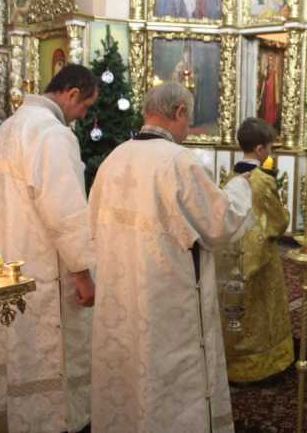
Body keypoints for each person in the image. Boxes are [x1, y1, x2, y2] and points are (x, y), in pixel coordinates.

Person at [89, 82, 253, 432]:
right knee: (168, 378)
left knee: (128, 376)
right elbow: (220, 224)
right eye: (188, 120)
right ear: (179, 112)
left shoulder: (113, 158)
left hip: (121, 294)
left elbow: (92, 228)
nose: (187, 129)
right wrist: (241, 186)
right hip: (165, 298)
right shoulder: (178, 161)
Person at [0, 64, 98, 432]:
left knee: (25, 349)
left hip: (12, 261)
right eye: (85, 106)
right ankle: (57, 423)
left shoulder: (11, 126)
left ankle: (28, 420)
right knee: (54, 354)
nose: (82, 116)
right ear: (72, 93)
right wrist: (83, 273)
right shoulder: (53, 134)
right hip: (47, 267)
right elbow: (64, 209)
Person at [219, 118, 294, 383]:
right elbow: (278, 221)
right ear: (260, 149)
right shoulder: (262, 180)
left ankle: (233, 363)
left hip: (233, 254)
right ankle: (262, 365)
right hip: (261, 256)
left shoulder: (230, 177)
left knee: (237, 307)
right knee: (261, 310)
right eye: (270, 148)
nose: (270, 152)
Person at [258, 55, 280, 128]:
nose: (270, 61)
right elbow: (264, 80)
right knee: (266, 107)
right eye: (269, 59)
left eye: (271, 59)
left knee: (271, 107)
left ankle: (270, 123)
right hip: (267, 91)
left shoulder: (274, 71)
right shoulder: (266, 69)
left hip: (272, 92)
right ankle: (266, 122)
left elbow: (276, 84)